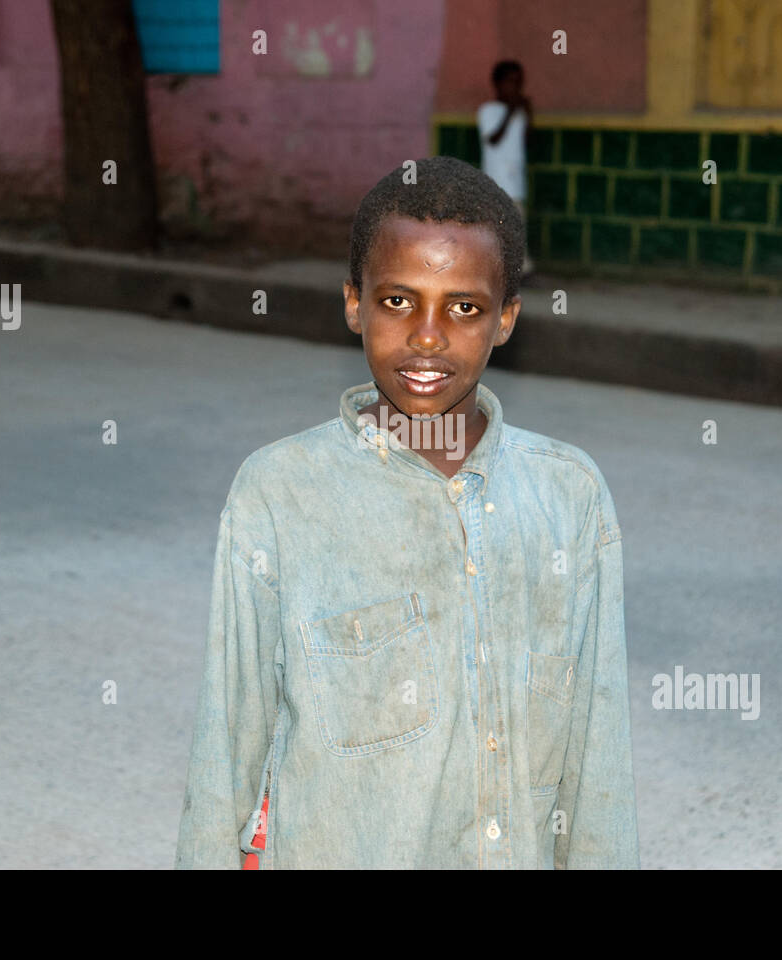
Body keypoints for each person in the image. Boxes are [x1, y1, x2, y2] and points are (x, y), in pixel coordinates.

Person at [175, 155, 639, 870]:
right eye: (398, 301)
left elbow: (598, 756)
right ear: (354, 302)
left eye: (464, 307)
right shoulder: (278, 494)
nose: (427, 336)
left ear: (506, 319)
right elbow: (225, 750)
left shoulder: (569, 498)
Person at [477, 60, 534, 277]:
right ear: (497, 84)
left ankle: (521, 270)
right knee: (494, 228)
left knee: (517, 226)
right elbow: (493, 139)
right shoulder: (488, 111)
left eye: (519, 83)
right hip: (495, 181)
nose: (516, 88)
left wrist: (528, 115)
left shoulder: (520, 114)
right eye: (510, 82)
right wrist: (510, 113)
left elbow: (528, 143)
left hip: (516, 183)